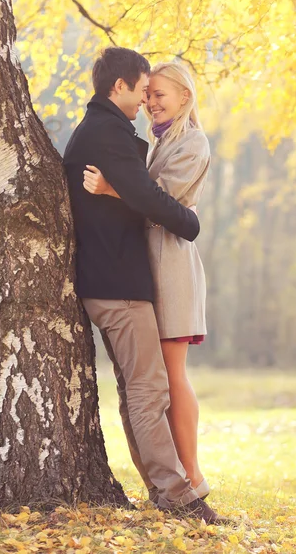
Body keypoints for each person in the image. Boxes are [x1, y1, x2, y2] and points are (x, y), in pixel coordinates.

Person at [62, 47, 222, 523]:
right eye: (143, 91)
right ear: (121, 87)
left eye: (158, 93)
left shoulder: (111, 132)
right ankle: (178, 494)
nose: (146, 102)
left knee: (145, 389)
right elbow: (150, 197)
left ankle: (170, 486)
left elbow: (143, 193)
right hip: (120, 282)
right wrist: (189, 222)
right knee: (150, 390)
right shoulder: (110, 134)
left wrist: (120, 192)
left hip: (119, 277)